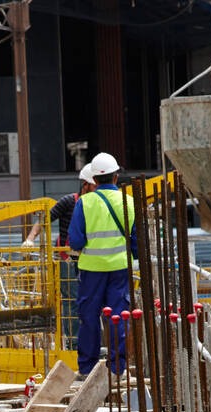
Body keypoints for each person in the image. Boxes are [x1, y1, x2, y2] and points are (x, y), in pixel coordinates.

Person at [66, 152, 135, 376]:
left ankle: (87, 369)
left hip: (91, 270)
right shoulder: (129, 201)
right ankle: (117, 368)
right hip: (119, 270)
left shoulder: (84, 203)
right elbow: (136, 241)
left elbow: (75, 241)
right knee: (117, 316)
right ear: (116, 177)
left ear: (94, 180)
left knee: (89, 318)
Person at [23, 164, 96, 349]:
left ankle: (89, 344)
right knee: (72, 302)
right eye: (95, 185)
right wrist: (30, 239)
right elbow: (45, 219)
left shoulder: (97, 205)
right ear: (85, 185)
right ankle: (74, 346)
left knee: (89, 302)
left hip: (89, 260)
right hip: (67, 260)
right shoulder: (69, 202)